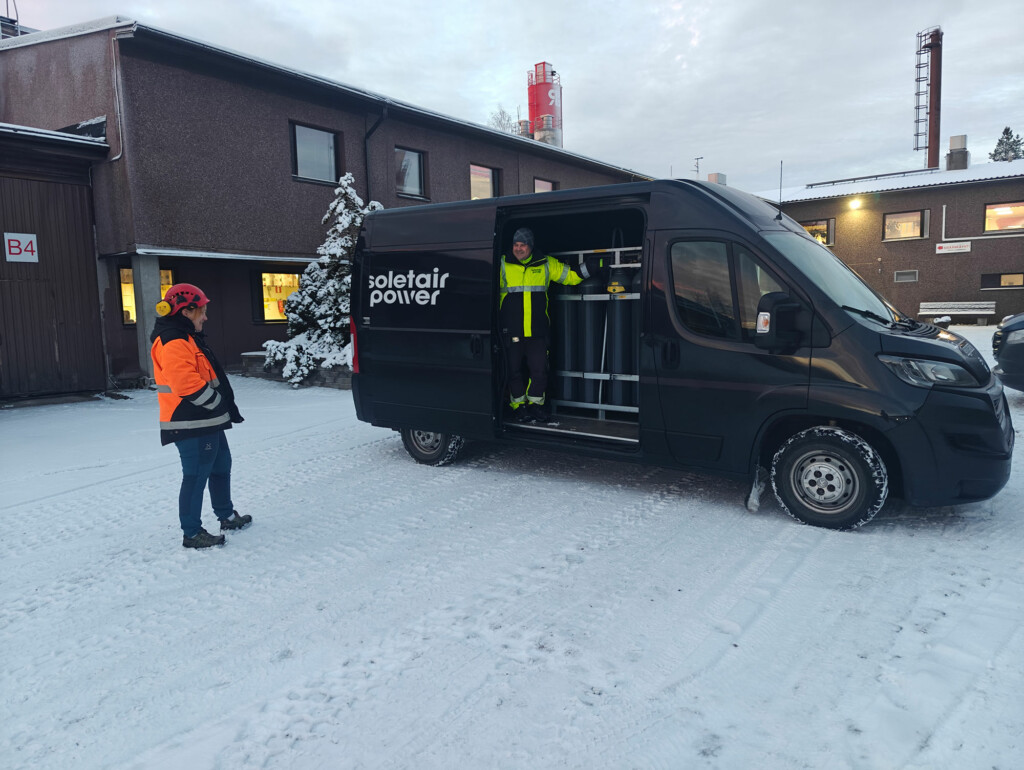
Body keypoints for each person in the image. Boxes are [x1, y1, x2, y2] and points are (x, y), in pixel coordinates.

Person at [150, 283, 251, 548]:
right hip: (192, 421)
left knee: (221, 467)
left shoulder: (186, 337)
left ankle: (226, 515)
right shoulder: (173, 341)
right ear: (186, 311)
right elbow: (187, 385)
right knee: (195, 476)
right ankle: (192, 533)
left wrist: (220, 408)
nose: (205, 317)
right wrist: (218, 403)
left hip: (208, 419)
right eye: (202, 311)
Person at [498, 227, 598, 422]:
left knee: (539, 370)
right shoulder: (502, 264)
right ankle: (519, 407)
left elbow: (570, 276)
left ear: (531, 246)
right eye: (516, 245)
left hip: (537, 331)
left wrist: (592, 267)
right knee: (513, 371)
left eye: (523, 245)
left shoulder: (545, 263)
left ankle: (535, 406)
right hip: (512, 331)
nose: (518, 249)